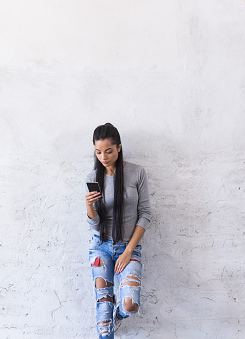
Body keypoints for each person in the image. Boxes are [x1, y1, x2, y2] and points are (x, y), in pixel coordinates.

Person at [84, 123, 152, 338]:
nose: (103, 156)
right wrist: (88, 205)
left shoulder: (136, 173)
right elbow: (95, 224)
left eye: (108, 150)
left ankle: (119, 315)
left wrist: (128, 251)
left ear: (119, 147)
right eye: (98, 151)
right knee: (103, 314)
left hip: (128, 247)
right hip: (100, 247)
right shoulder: (93, 177)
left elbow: (146, 214)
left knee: (130, 304)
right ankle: (109, 321)